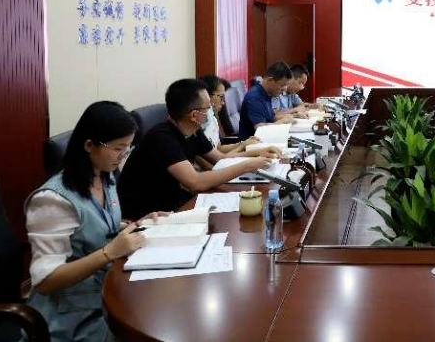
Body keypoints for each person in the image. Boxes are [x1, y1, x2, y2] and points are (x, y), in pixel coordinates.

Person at [24, 101, 164, 342]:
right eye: (118, 148)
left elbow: (97, 225)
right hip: (71, 315)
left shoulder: (104, 176)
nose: (123, 156)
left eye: (128, 148)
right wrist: (109, 252)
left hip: (108, 290)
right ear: (89, 145)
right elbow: (46, 281)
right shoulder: (52, 201)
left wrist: (137, 224)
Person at [118, 79, 277, 218]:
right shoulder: (162, 138)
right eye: (207, 107)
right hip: (148, 214)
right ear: (194, 115)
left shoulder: (193, 130)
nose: (211, 110)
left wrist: (257, 153)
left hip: (174, 202)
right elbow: (195, 182)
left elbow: (219, 158)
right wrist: (247, 165)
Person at [239, 62, 295, 139]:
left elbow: (269, 118)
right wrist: (282, 122)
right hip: (253, 142)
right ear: (270, 80)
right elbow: (260, 129)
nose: (285, 89)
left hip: (267, 138)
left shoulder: (267, 93)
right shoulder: (255, 98)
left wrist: (292, 116)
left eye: (286, 85)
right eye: (282, 85)